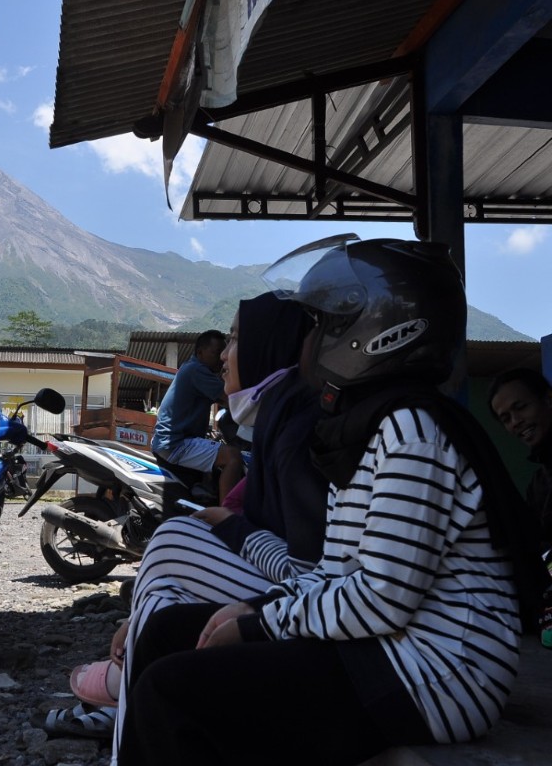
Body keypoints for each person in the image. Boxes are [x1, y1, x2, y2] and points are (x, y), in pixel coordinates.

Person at [115, 234, 546, 766]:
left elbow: (382, 596)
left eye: (323, 324)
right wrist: (255, 607)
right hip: (385, 649)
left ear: (377, 331)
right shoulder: (367, 426)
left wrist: (260, 623)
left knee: (171, 694)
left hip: (438, 677)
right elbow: (335, 572)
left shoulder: (412, 431)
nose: (311, 339)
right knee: (166, 633)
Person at [45, 292, 328, 740]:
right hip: (177, 449)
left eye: (236, 340)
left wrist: (230, 527)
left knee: (174, 540)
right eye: (224, 343)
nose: (225, 356)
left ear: (267, 347)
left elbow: (310, 572)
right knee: (175, 552)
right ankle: (128, 695)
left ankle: (122, 691)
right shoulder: (272, 418)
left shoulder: (296, 430)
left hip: (306, 598)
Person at [150, 329, 242, 505]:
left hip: (171, 441)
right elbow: (230, 399)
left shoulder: (192, 369)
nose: (221, 357)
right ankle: (227, 513)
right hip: (176, 443)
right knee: (233, 457)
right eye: (216, 352)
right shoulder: (197, 371)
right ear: (200, 352)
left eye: (224, 352)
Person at [488, 367, 552, 551]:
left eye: (521, 407)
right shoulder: (539, 483)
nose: (515, 421)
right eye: (506, 419)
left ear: (548, 399)